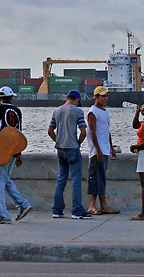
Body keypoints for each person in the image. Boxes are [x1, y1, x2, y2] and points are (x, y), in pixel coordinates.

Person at [0, 86, 32, 224]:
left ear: (0, 97)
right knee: (4, 180)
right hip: (13, 150)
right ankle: (22, 205)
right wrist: (19, 154)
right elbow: (19, 134)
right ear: (11, 98)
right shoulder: (17, 111)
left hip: (2, 150)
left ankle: (3, 216)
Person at [48, 90, 91, 220]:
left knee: (61, 179)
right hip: (73, 148)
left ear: (67, 98)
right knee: (76, 180)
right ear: (77, 100)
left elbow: (50, 131)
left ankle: (57, 210)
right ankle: (77, 210)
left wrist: (58, 140)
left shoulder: (57, 111)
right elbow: (84, 132)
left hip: (60, 149)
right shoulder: (78, 111)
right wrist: (78, 143)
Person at [86, 86, 119, 215]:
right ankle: (94, 205)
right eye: (102, 96)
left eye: (106, 96)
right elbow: (92, 132)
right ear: (96, 97)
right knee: (95, 177)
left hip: (105, 149)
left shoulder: (105, 112)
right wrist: (98, 150)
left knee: (101, 178)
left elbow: (106, 131)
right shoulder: (92, 112)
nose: (105, 98)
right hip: (97, 151)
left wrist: (111, 148)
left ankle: (101, 205)